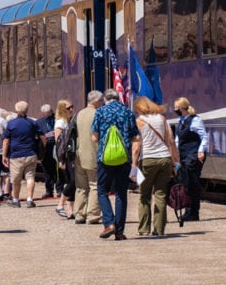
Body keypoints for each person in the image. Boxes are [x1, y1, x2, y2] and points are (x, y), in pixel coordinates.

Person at [91, 89, 140, 240]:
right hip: (123, 158)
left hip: (105, 158)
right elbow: (136, 137)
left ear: (105, 99)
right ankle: (119, 231)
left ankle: (109, 223)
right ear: (118, 98)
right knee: (121, 193)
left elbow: (94, 137)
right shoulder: (128, 112)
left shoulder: (100, 112)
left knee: (102, 190)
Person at [134, 97, 179, 236]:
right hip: (164, 159)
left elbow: (136, 146)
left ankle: (144, 229)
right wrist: (175, 161)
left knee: (144, 195)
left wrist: (133, 165)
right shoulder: (162, 119)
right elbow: (170, 141)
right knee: (160, 194)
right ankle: (159, 230)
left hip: (147, 160)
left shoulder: (139, 121)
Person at [173, 97, 209, 222]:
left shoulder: (195, 120)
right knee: (185, 183)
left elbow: (203, 136)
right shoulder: (181, 120)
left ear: (182, 108)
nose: (174, 110)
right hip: (183, 155)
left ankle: (194, 212)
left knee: (193, 183)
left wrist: (201, 150)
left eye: (176, 108)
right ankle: (188, 210)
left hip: (194, 155)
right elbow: (178, 139)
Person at [72, 90, 103, 225]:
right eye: (101, 101)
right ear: (96, 101)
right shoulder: (98, 114)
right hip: (93, 154)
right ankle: (93, 215)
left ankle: (79, 214)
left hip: (79, 154)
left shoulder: (79, 114)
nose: (102, 103)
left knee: (81, 187)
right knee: (95, 185)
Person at [2, 101, 39, 207]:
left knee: (16, 179)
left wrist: (4, 156)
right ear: (27, 110)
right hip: (31, 153)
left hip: (16, 156)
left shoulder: (11, 123)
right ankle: (29, 199)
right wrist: (42, 149)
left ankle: (16, 200)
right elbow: (42, 137)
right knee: (30, 177)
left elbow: (6, 141)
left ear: (16, 110)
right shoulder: (32, 123)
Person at [52, 99, 76, 219]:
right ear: (62, 109)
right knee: (73, 181)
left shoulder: (69, 121)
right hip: (65, 157)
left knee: (73, 182)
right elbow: (59, 143)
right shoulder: (60, 123)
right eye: (68, 108)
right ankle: (60, 205)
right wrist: (61, 160)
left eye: (72, 107)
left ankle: (70, 210)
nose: (71, 109)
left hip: (71, 156)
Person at [35, 103, 57, 198]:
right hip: (45, 147)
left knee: (58, 169)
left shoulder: (57, 119)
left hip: (56, 145)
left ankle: (60, 189)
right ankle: (49, 190)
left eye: (49, 113)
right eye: (45, 113)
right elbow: (36, 135)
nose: (47, 115)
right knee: (47, 170)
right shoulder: (39, 122)